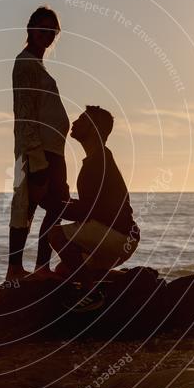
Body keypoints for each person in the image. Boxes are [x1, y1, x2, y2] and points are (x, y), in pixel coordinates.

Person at [48, 106, 140, 310]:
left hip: (117, 236)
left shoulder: (98, 163)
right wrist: (63, 203)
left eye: (82, 119)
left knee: (55, 235)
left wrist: (52, 203)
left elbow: (87, 211)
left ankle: (91, 293)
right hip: (120, 238)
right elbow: (91, 208)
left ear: (95, 128)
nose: (75, 122)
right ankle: (125, 279)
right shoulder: (98, 159)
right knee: (65, 269)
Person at [6, 6, 71, 282]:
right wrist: (39, 162)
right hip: (39, 152)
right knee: (46, 205)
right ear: (30, 30)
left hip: (49, 150)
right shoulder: (26, 64)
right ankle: (33, 268)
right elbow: (25, 114)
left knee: (35, 206)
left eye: (52, 31)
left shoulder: (37, 65)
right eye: (43, 29)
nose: (48, 35)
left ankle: (21, 269)